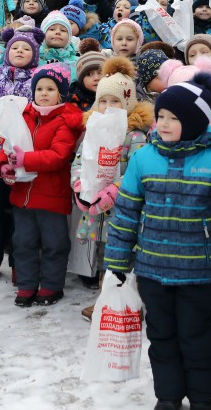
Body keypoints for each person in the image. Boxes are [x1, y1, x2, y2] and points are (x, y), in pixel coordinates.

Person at [105, 73, 211, 410]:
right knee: (162, 338)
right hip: (152, 270)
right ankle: (168, 396)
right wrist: (117, 262)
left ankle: (202, 399)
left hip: (196, 273)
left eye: (175, 118)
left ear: (196, 122)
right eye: (162, 117)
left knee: (197, 338)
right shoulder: (144, 159)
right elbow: (126, 214)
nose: (165, 124)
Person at [71, 57, 154, 318]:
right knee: (103, 254)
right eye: (103, 100)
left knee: (125, 254)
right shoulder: (93, 128)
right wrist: (79, 185)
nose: (108, 107)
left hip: (124, 209)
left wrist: (114, 190)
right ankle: (105, 300)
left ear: (127, 103)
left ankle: (129, 304)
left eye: (115, 101)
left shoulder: (136, 135)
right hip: (96, 208)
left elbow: (137, 171)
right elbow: (80, 159)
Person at [0, 63, 83, 307]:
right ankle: (26, 285)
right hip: (23, 195)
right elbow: (8, 146)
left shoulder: (65, 120)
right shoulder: (23, 116)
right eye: (40, 88)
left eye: (51, 89)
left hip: (52, 195)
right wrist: (4, 166)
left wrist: (26, 160)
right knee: (23, 242)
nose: (44, 93)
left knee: (54, 243)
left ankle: (52, 285)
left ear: (61, 93)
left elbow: (58, 156)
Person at [0, 26, 46, 284]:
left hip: (25, 162)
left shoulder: (38, 78)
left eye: (26, 48)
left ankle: (19, 264)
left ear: (34, 54)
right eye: (15, 47)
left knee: (21, 220)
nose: (20, 51)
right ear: (7, 50)